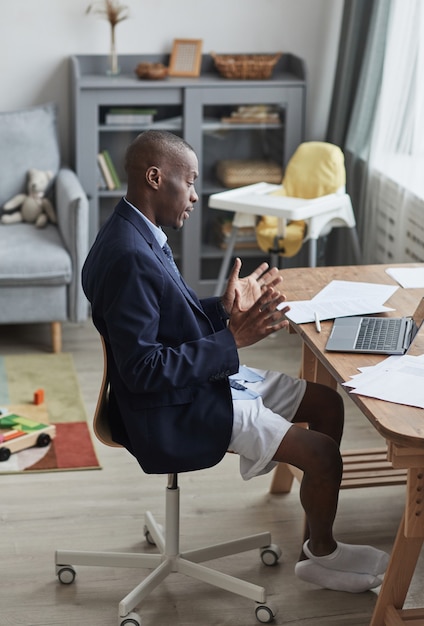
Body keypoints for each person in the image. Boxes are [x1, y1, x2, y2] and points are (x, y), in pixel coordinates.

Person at [82, 129, 389, 594]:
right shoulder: (128, 255)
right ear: (154, 177)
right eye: (190, 183)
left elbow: (168, 318)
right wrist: (232, 339)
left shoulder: (135, 231)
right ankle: (324, 555)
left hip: (199, 381)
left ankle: (315, 547)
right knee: (322, 453)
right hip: (172, 408)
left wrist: (224, 308)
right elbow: (143, 370)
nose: (195, 197)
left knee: (327, 405)